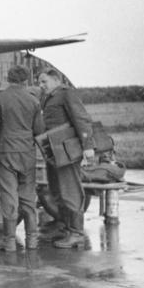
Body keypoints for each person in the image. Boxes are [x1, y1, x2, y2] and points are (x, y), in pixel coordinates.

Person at [0, 65, 45, 251]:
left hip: (4, 152)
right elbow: (39, 131)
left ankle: (10, 241)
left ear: (8, 78)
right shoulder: (33, 100)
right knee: (28, 196)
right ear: (26, 80)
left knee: (8, 195)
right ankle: (32, 239)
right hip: (27, 153)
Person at [38, 68, 95, 249]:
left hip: (67, 152)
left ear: (56, 80)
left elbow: (81, 118)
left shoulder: (66, 94)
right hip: (53, 150)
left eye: (44, 82)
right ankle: (63, 226)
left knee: (70, 190)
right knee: (56, 190)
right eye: (40, 82)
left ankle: (76, 232)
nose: (41, 86)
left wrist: (88, 146)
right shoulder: (48, 97)